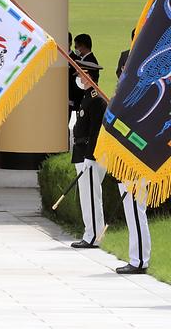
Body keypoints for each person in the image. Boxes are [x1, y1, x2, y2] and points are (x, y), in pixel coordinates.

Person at [69, 77, 106, 250]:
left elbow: (96, 131)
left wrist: (91, 156)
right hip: (81, 152)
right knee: (86, 196)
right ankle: (89, 232)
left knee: (92, 196)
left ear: (89, 76)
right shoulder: (87, 97)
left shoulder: (96, 99)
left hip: (90, 154)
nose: (78, 77)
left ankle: (94, 237)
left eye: (81, 73)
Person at [116, 180, 152, 274]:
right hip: (129, 174)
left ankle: (139, 262)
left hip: (134, 176)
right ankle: (138, 260)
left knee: (136, 217)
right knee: (134, 218)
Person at [68, 33, 101, 118]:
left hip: (87, 96)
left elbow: (92, 79)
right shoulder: (84, 59)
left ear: (82, 46)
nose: (75, 49)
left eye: (76, 47)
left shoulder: (89, 61)